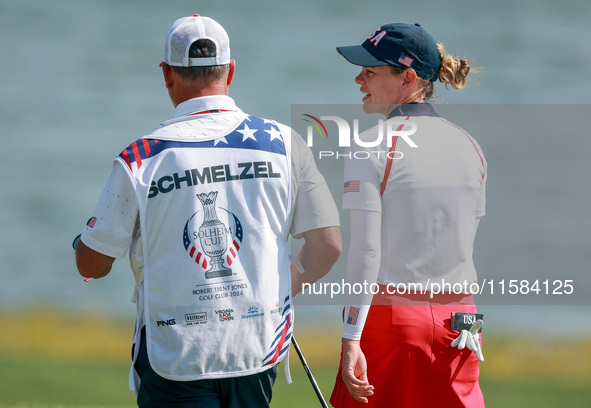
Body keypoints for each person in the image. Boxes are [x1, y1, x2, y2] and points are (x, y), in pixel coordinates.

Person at [74, 14, 341, 408]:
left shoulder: (142, 157)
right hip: (256, 348)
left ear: (167, 74)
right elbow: (328, 246)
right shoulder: (286, 143)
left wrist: (81, 244)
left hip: (175, 355)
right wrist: (279, 287)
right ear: (230, 71)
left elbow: (92, 265)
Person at [328, 23, 487, 407]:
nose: (358, 79)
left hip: (394, 325)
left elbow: (366, 253)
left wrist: (351, 339)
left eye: (370, 71)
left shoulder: (369, 146)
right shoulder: (470, 145)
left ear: (408, 78)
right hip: (461, 325)